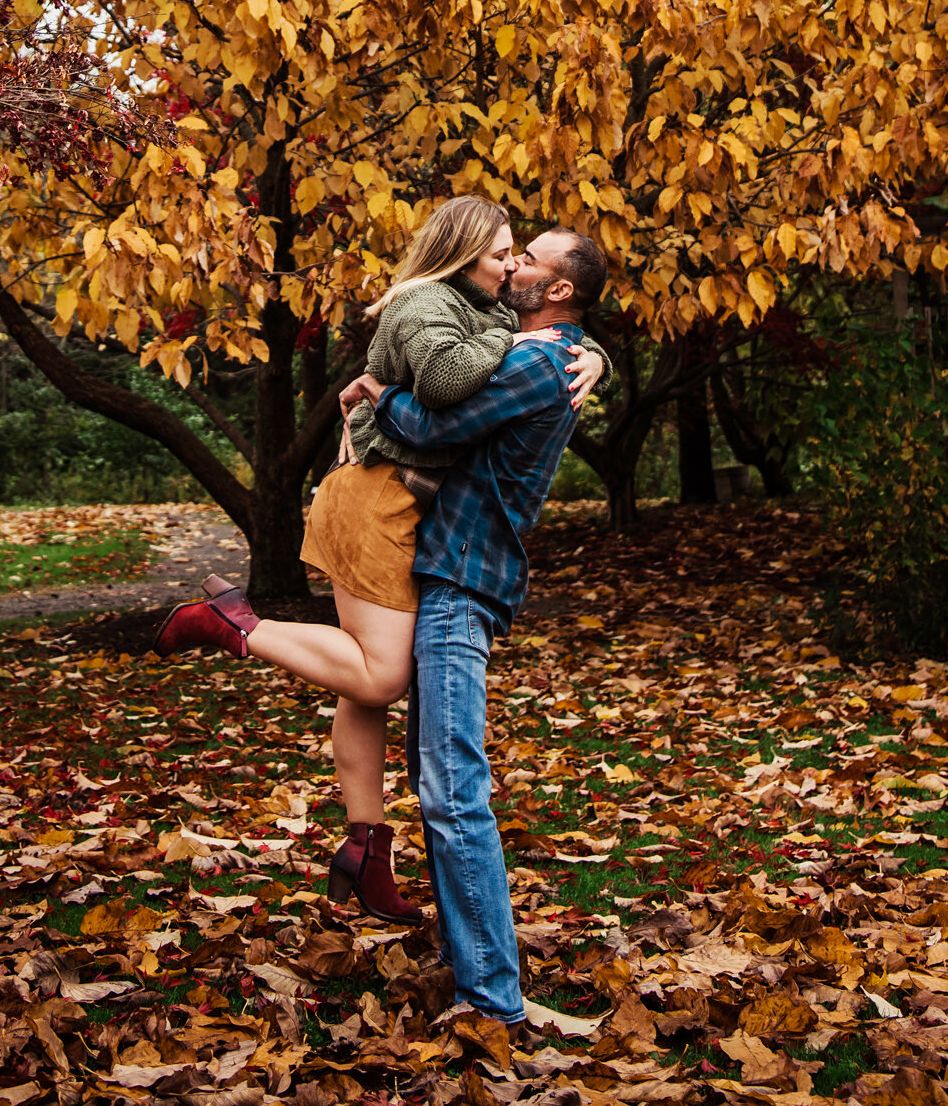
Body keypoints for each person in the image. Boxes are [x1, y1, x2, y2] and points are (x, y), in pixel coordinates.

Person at [151, 200, 609, 923]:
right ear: (463, 253)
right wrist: (534, 349)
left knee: (363, 688)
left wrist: (586, 351)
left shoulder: (480, 308)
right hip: (376, 500)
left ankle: (365, 850)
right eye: (502, 252)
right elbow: (446, 390)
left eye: (522, 256)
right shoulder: (434, 305)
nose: (511, 262)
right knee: (382, 673)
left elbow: (527, 351)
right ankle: (234, 622)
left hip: (389, 501)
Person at [353, 225, 609, 1030]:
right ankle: (466, 963)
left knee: (453, 792)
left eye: (527, 258)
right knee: (441, 787)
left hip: (463, 579)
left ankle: (491, 1001)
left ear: (558, 289)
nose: (511, 264)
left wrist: (375, 392)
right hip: (452, 575)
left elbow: (432, 428)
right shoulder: (545, 350)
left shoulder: (536, 360)